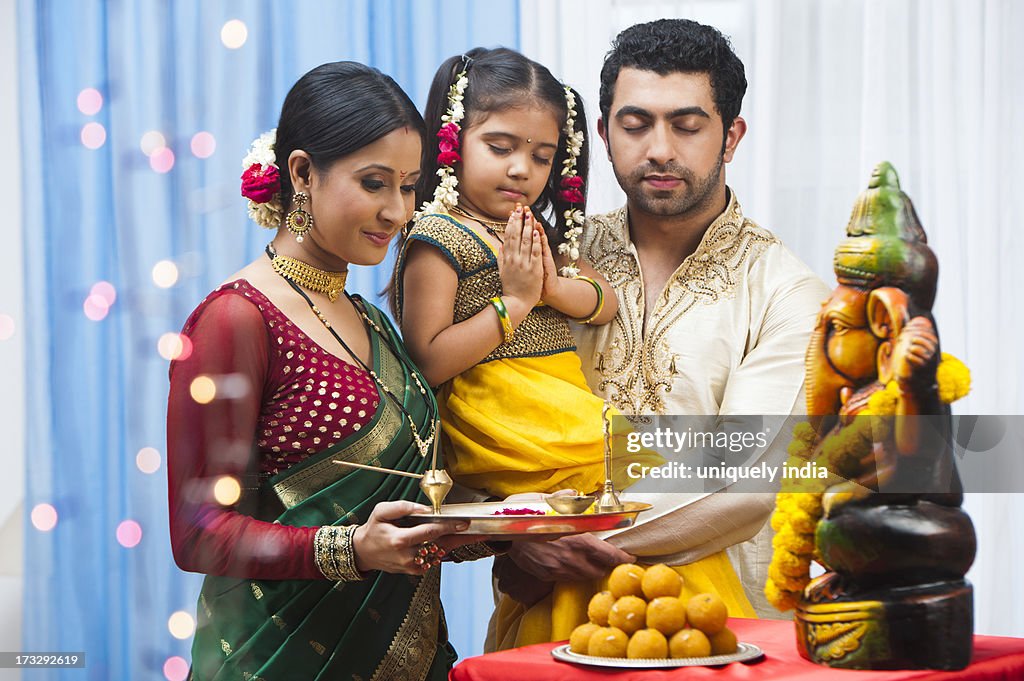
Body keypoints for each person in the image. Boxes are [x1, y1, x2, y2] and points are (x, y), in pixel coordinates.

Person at [489, 19, 832, 647]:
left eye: (688, 125)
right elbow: (482, 412)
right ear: (602, 133)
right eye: (635, 123)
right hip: (550, 635)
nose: (660, 149)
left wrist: (548, 541)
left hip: (718, 639)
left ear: (732, 136)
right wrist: (504, 533)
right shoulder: (545, 259)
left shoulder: (785, 291)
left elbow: (742, 484)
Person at [167, 61, 491, 681]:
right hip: (278, 660)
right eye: (374, 183)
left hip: (415, 656)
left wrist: (513, 527)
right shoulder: (235, 320)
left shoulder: (369, 319)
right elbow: (199, 533)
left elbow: (401, 503)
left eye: (410, 187)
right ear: (302, 173)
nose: (399, 212)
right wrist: (349, 549)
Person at [393, 47, 649, 501]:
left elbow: (604, 301)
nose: (520, 169)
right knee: (654, 468)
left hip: (559, 400)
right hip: (505, 416)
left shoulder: (533, 229)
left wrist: (551, 288)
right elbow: (427, 361)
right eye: (499, 147)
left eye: (542, 157)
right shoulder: (439, 235)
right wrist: (513, 304)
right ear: (452, 140)